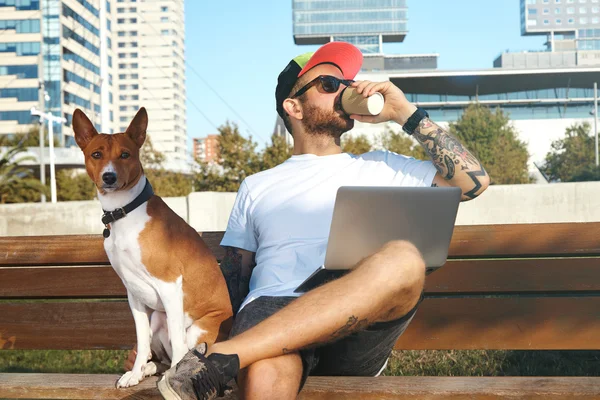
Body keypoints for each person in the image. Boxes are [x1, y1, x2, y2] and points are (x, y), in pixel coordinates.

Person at [154, 41, 490, 400]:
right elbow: (233, 282)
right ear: (294, 106)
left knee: (405, 259)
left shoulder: (385, 164)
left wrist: (406, 114)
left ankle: (222, 359)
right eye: (329, 85)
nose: (344, 90)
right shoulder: (257, 186)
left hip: (357, 318)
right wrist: (179, 337)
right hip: (272, 309)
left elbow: (473, 182)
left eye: (346, 83)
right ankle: (226, 358)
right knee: (267, 372)